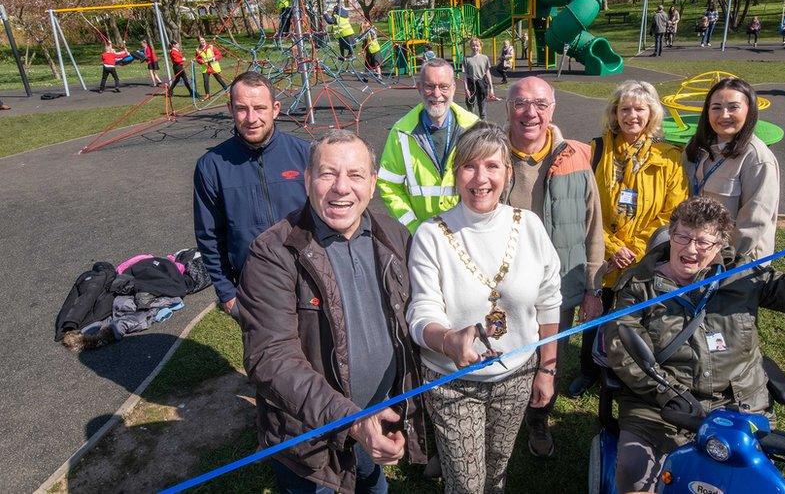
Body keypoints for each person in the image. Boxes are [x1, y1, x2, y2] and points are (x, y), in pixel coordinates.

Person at [239, 129, 427, 493]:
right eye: (328, 173)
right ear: (308, 180)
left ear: (372, 184)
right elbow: (270, 358)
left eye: (356, 175)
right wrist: (352, 422)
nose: (342, 187)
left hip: (378, 421)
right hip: (310, 441)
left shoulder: (393, 235)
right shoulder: (273, 253)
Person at [603, 196, 785, 493]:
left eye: (703, 242)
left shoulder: (742, 275)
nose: (689, 248)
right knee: (634, 473)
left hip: (739, 405)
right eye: (682, 236)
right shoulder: (639, 285)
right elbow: (623, 348)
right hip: (660, 406)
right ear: (670, 234)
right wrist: (666, 392)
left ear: (719, 246)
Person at [407, 123, 562, 493]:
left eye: (492, 166)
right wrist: (448, 340)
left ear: (508, 172)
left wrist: (547, 369)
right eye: (469, 166)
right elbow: (421, 312)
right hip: (452, 383)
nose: (481, 178)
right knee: (466, 485)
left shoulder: (530, 226)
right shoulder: (431, 234)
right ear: (456, 172)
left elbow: (549, 300)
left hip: (516, 376)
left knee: (496, 473)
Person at [502, 76, 604, 457]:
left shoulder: (575, 156)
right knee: (503, 354)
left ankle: (539, 419)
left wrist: (593, 287)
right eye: (521, 104)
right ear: (507, 108)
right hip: (503, 285)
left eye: (541, 104)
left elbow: (595, 225)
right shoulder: (490, 155)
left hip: (559, 285)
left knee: (550, 357)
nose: (531, 113)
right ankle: (502, 421)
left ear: (553, 108)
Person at [568, 80, 688, 398]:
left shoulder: (671, 158)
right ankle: (588, 370)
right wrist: (611, 247)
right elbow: (585, 205)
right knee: (595, 313)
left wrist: (634, 249)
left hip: (645, 257)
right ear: (614, 113)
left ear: (651, 114)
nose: (631, 115)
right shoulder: (597, 150)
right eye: (625, 109)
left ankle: (628, 373)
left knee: (636, 319)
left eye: (639, 108)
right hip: (602, 253)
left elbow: (671, 215)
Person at [193, 71, 309, 317]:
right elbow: (209, 236)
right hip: (253, 288)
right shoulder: (212, 166)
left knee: (317, 353)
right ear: (230, 109)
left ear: (275, 109)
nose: (251, 118)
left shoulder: (305, 155)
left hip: (308, 279)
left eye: (259, 108)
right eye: (242, 109)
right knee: (263, 355)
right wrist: (227, 293)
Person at [377, 58, 481, 232]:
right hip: (422, 235)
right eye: (429, 86)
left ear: (454, 88)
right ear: (419, 88)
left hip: (466, 232)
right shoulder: (401, 133)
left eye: (444, 86)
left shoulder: (474, 128)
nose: (437, 94)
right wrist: (413, 227)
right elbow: (388, 185)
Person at [683, 77, 780, 259]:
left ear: (749, 111)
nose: (724, 115)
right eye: (716, 107)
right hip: (699, 251)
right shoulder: (696, 148)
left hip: (736, 260)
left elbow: (753, 223)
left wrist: (723, 260)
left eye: (733, 107)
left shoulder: (757, 158)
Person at [462, 37, 494, 119]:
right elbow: (465, 75)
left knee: (482, 110)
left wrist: (491, 88)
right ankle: (472, 127)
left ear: (480, 46)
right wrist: (466, 89)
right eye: (473, 46)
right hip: (471, 84)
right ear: (470, 46)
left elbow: (487, 73)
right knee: (470, 110)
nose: (475, 47)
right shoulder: (466, 59)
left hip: (481, 83)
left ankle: (484, 128)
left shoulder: (485, 58)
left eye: (477, 46)